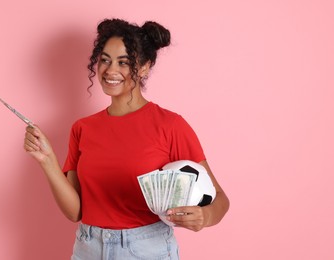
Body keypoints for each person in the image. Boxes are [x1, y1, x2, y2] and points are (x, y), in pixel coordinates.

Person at [24, 18, 229, 260]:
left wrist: (205, 216)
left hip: (146, 249)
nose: (111, 70)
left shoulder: (170, 125)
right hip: (88, 247)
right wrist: (47, 160)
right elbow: (75, 211)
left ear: (144, 67)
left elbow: (220, 199)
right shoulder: (83, 128)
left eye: (124, 62)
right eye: (105, 60)